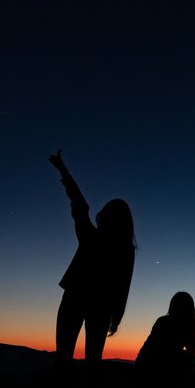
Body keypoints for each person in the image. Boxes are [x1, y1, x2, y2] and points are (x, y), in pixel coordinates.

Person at [48, 149, 136, 371]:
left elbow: (79, 205)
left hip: (76, 297)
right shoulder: (125, 249)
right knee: (92, 362)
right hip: (102, 305)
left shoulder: (92, 238)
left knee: (64, 357)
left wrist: (63, 170)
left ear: (105, 217)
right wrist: (116, 317)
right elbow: (123, 286)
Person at [135, 291, 195, 388]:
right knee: (189, 360)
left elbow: (190, 354)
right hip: (152, 362)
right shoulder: (165, 322)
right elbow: (154, 350)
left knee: (190, 360)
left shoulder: (180, 325)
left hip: (153, 362)